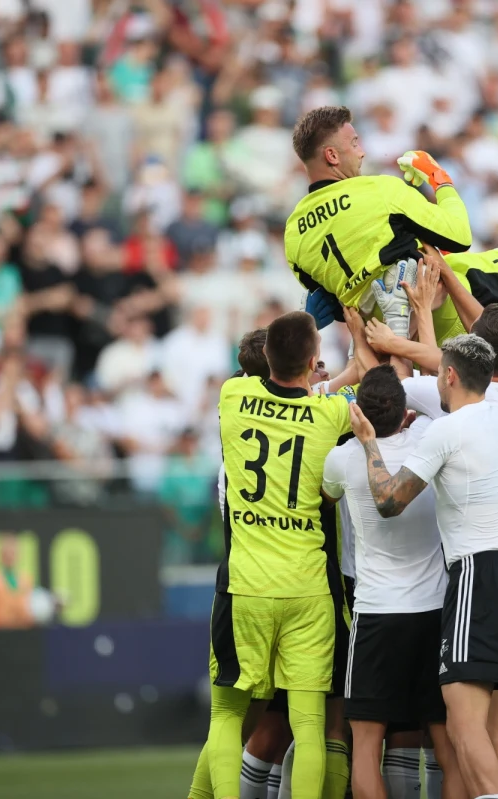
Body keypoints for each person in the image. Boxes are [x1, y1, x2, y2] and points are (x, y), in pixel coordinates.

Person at [351, 333, 498, 799]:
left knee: (464, 722)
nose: (436, 379)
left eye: (440, 372)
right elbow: (458, 362)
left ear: (451, 376)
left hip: (479, 575)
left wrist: (370, 444)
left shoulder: (445, 430)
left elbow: (389, 501)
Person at [287, 106, 498, 341]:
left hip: (387, 341)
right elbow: (459, 235)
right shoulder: (379, 188)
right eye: (354, 143)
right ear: (332, 156)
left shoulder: (293, 234)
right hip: (447, 306)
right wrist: (440, 180)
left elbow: (326, 301)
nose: (361, 152)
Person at [196, 311, 353, 799]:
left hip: (246, 586)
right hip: (309, 590)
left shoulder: (233, 396)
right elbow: (361, 375)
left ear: (263, 359)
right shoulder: (330, 416)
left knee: (226, 717)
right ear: (312, 362)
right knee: (311, 726)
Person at [322, 365, 461, 799]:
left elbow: (327, 497)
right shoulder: (429, 442)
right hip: (435, 611)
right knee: (447, 744)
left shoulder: (342, 459)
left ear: (357, 413)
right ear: (406, 414)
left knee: (365, 745)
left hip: (378, 613)